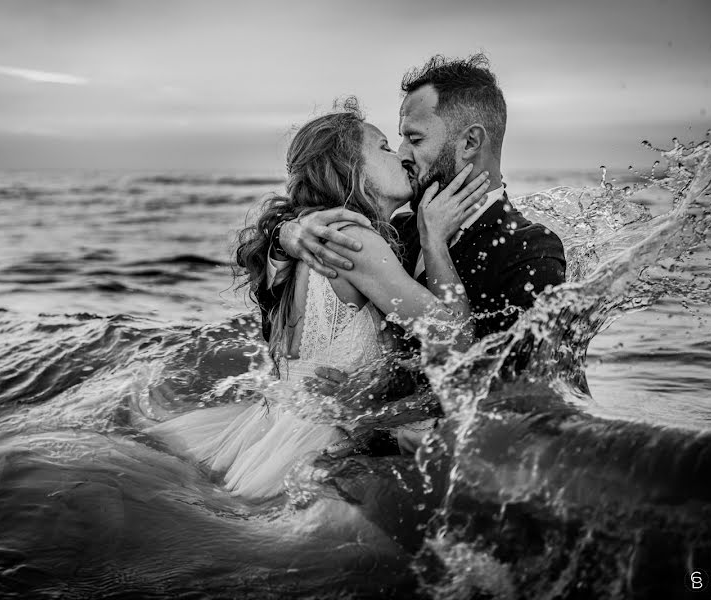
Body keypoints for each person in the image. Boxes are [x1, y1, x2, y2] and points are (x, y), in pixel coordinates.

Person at [144, 102, 491, 502]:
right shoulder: (353, 242)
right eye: (383, 147)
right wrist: (434, 239)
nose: (400, 155)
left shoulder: (312, 236)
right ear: (352, 169)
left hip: (278, 428)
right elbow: (454, 338)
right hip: (317, 444)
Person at [263, 54, 567, 403]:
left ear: (469, 143)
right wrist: (286, 235)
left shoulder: (528, 251)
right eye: (394, 143)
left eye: (415, 140)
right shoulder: (392, 232)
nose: (403, 154)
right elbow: (280, 324)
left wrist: (376, 400)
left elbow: (522, 394)